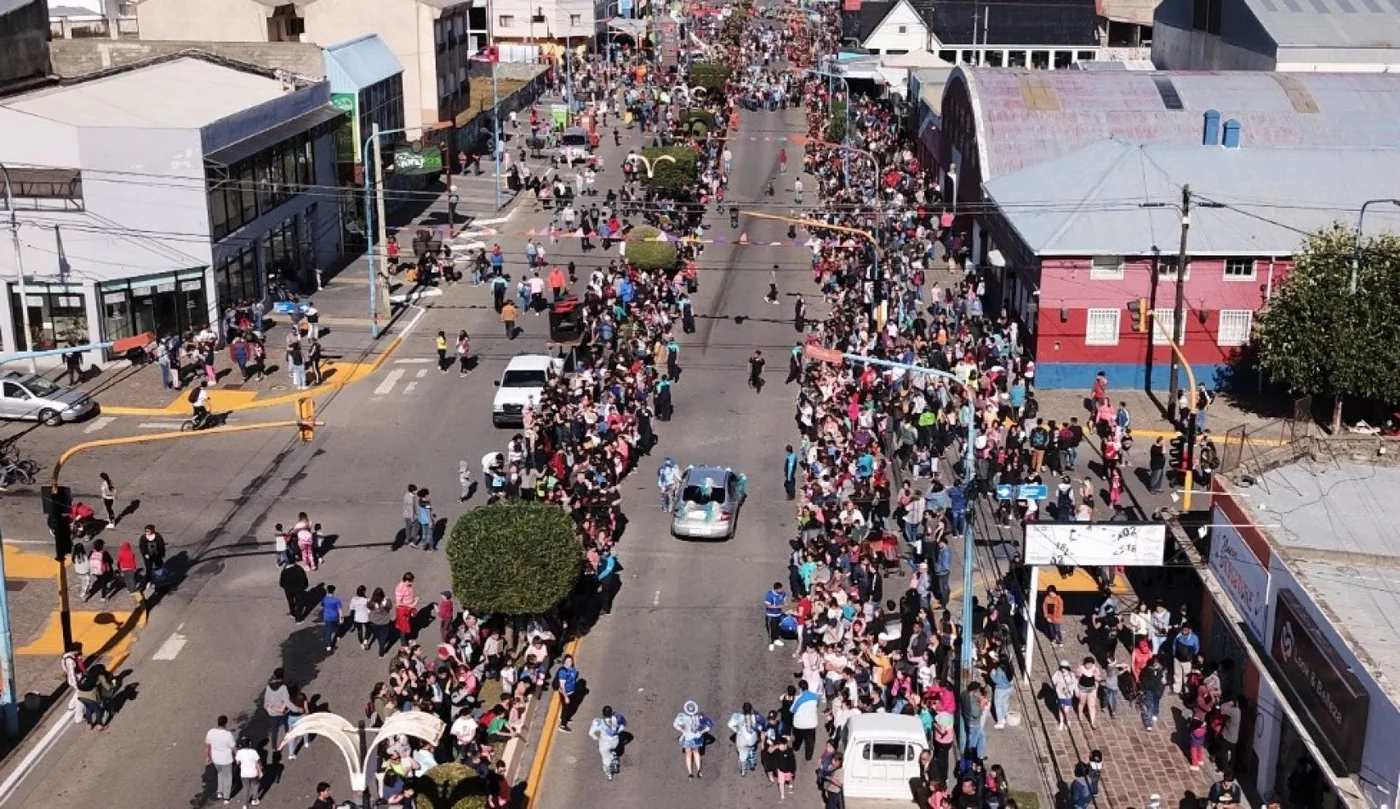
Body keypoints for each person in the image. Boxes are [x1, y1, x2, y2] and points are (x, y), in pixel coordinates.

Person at [673, 700, 713, 778]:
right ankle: (699, 770)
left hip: (687, 737)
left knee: (688, 754)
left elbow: (675, 725)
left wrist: (682, 730)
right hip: (696, 738)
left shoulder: (682, 717)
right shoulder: (699, 717)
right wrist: (702, 731)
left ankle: (690, 773)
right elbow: (709, 725)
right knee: (696, 753)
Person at [587, 705, 627, 780]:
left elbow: (591, 733)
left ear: (603, 713)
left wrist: (597, 738)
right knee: (612, 750)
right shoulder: (617, 717)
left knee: (605, 758)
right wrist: (618, 731)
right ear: (611, 712)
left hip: (605, 743)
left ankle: (609, 774)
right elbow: (623, 724)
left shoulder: (597, 721)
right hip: (615, 741)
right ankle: (613, 755)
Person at [205, 715, 237, 803]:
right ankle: (226, 797)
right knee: (228, 777)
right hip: (226, 759)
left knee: (220, 773)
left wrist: (207, 756)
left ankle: (220, 791)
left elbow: (208, 745)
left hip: (215, 759)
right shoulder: (228, 735)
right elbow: (234, 748)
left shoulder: (211, 732)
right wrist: (238, 756)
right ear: (226, 723)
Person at [728, 702, 763, 776]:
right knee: (751, 748)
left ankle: (743, 769)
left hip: (742, 739)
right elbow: (760, 727)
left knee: (742, 754)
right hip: (752, 738)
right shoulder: (755, 717)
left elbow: (730, 724)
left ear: (742, 709)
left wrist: (737, 730)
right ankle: (752, 763)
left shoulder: (738, 717)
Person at [235, 735, 262, 807]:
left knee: (246, 788)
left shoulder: (239, 752)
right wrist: (261, 770)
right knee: (256, 785)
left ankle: (245, 805)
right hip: (253, 773)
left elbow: (237, 762)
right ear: (249, 743)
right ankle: (254, 800)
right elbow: (258, 762)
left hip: (244, 774)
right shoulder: (254, 752)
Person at [555, 653, 580, 732]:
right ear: (564, 662)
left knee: (569, 706)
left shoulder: (572, 669)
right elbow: (562, 686)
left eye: (571, 661)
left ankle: (565, 717)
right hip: (566, 693)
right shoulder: (563, 672)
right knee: (565, 708)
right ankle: (563, 725)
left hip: (571, 691)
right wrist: (565, 696)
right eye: (568, 661)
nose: (569, 663)